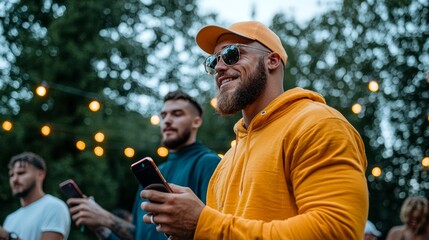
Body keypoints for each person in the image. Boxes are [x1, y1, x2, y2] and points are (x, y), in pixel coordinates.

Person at [139, 20, 369, 239]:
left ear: (272, 60)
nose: (219, 67)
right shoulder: (226, 161)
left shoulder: (317, 124)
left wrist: (203, 223)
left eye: (231, 54)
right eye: (213, 61)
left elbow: (337, 232)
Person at [67, 90, 221, 240]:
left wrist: (106, 218)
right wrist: (101, 227)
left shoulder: (209, 163)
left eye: (177, 114)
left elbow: (211, 230)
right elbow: (139, 234)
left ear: (197, 121)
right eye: (163, 115)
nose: (167, 120)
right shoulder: (156, 170)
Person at [0, 152, 71, 240]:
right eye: (11, 175)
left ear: (40, 174)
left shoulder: (54, 206)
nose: (14, 179)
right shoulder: (10, 219)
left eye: (21, 173)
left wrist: (8, 237)